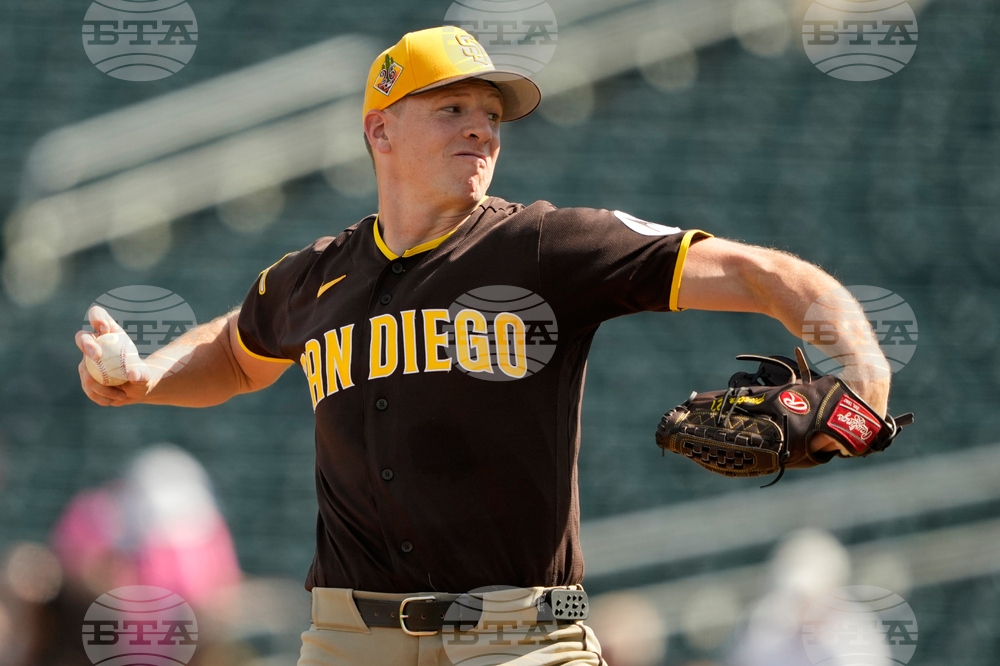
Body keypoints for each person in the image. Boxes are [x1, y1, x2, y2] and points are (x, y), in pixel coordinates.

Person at [75, 26, 892, 666]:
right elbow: (233, 352)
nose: (481, 129)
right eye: (452, 109)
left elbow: (754, 273)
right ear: (380, 130)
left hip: (519, 639)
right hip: (350, 642)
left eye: (491, 116)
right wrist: (146, 376)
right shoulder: (315, 277)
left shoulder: (544, 247)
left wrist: (864, 373)